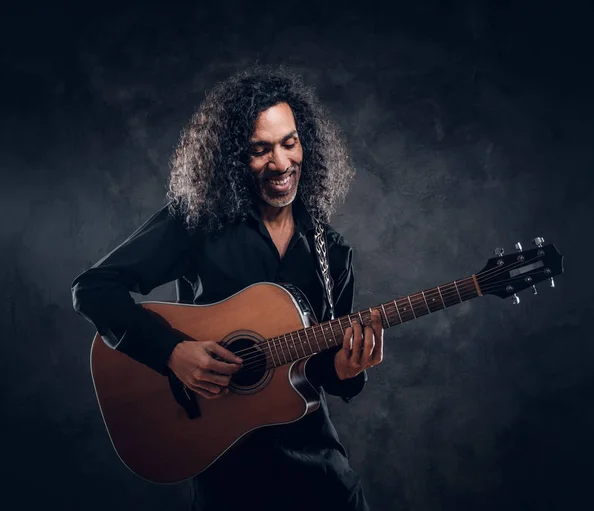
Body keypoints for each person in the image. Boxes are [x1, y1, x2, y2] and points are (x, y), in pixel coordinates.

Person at [71, 65, 384, 511]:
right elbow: (94, 288)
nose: (280, 164)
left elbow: (318, 372)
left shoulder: (330, 252)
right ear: (234, 158)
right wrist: (171, 351)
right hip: (225, 473)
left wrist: (348, 370)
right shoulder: (198, 223)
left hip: (319, 474)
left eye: (289, 144)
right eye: (261, 150)